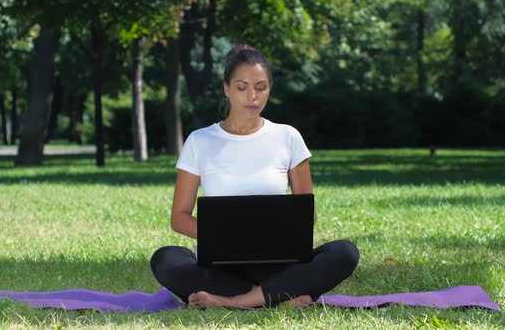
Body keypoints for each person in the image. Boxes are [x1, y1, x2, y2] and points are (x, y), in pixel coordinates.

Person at [150, 44, 360, 309]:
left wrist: (271, 232)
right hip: (223, 264)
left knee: (344, 252)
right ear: (226, 88)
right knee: (166, 259)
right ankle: (279, 296)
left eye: (261, 87)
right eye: (242, 87)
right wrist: (225, 236)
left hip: (276, 262)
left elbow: (308, 214)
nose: (253, 96)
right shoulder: (200, 141)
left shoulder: (288, 137)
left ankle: (238, 301)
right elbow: (179, 217)